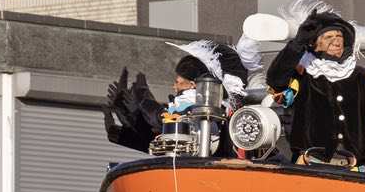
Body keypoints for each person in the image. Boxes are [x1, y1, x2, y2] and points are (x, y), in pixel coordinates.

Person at [266, 0, 365, 171]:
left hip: (352, 168)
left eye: (339, 36)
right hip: (310, 166)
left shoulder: (359, 75)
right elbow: (275, 80)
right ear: (315, 43)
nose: (336, 40)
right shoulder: (303, 72)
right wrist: (297, 43)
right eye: (329, 36)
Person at [102, 37, 260, 156]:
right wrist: (126, 112)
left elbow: (167, 119)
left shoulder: (202, 109)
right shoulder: (190, 107)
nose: (174, 87)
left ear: (193, 85)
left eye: (178, 82)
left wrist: (144, 101)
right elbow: (158, 140)